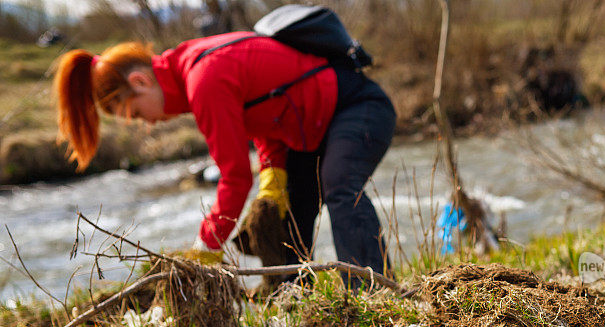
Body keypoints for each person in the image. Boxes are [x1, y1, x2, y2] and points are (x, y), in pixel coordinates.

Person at [54, 33, 396, 282]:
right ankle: (294, 298)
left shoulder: (203, 80)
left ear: (140, 81)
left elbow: (234, 177)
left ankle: (375, 295)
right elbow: (266, 114)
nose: (146, 123)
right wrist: (273, 176)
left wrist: (206, 245)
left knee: (337, 183)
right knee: (287, 211)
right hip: (313, 131)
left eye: (136, 114)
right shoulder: (192, 67)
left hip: (357, 106)